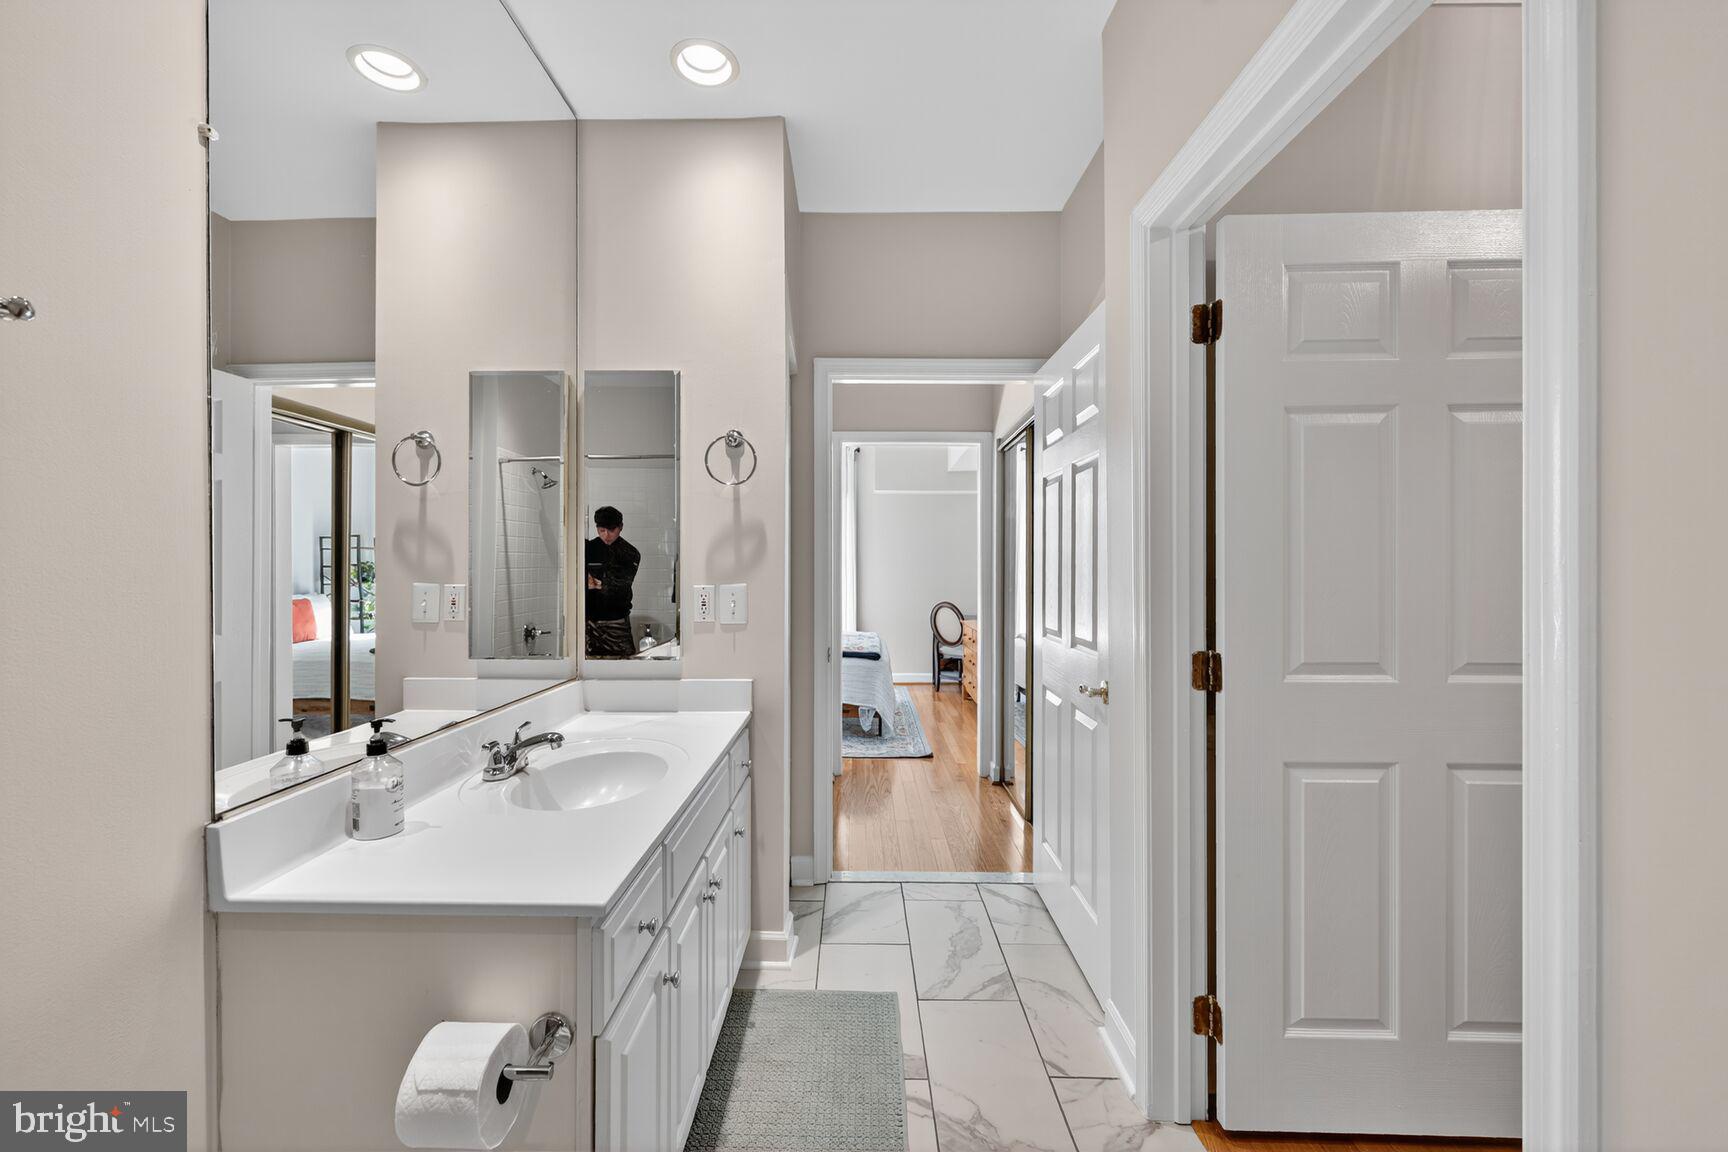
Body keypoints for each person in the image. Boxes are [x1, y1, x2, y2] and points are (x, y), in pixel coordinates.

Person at [585, 506, 640, 658]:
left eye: (611, 530)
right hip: (589, 621)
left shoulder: (630, 553)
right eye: (602, 530)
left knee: (623, 668)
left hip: (617, 621)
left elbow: (621, 586)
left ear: (620, 527)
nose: (606, 535)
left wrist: (596, 583)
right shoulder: (587, 548)